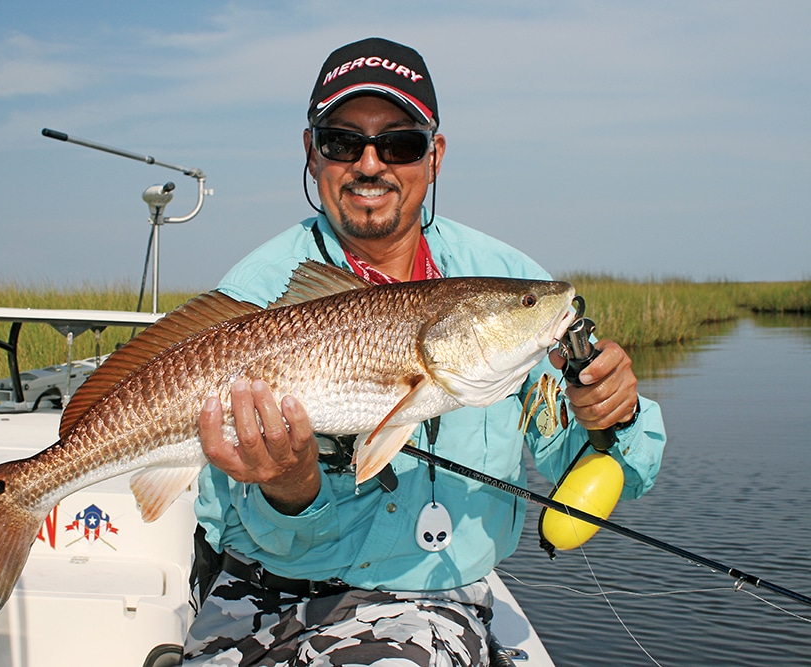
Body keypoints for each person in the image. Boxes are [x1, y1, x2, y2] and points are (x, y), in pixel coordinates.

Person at [181, 37, 666, 667]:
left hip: (436, 590)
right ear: (311, 153)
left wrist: (614, 413)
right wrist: (291, 488)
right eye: (342, 141)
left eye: (402, 142)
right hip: (262, 586)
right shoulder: (257, 298)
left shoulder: (504, 280)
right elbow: (260, 527)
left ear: (434, 157)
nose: (371, 164)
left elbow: (580, 455)